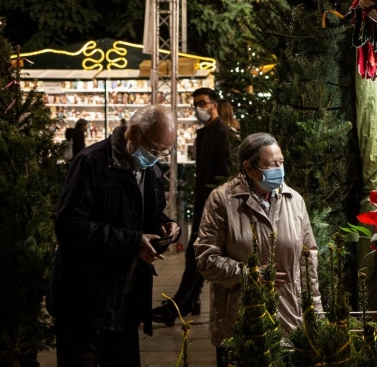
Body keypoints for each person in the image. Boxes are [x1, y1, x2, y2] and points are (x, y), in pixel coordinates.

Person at [47, 105, 181, 367]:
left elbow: (149, 215)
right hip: (84, 296)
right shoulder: (91, 162)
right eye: (154, 148)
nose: (157, 156)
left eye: (164, 151)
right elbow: (69, 226)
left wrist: (166, 226)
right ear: (133, 132)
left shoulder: (150, 169)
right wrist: (133, 242)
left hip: (126, 297)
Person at [196, 132, 323, 367]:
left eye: (281, 162)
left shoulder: (294, 201)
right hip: (239, 324)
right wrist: (249, 275)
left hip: (288, 322)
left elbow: (308, 260)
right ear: (249, 168)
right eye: (271, 164)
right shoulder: (222, 200)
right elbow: (206, 259)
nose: (279, 169)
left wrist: (315, 313)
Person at [152, 87, 234, 325]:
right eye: (196, 104)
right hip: (204, 203)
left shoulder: (222, 134)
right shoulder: (205, 133)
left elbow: (224, 174)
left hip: (213, 205)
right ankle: (189, 302)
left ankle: (179, 305)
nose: (199, 108)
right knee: (197, 254)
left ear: (214, 105)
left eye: (203, 103)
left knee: (194, 254)